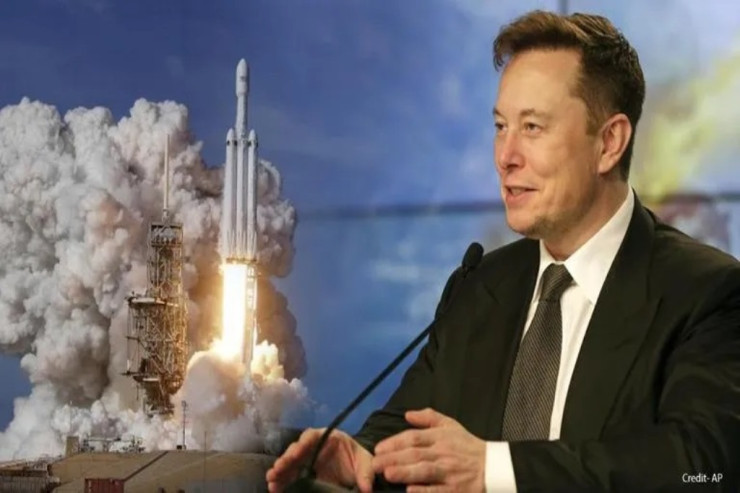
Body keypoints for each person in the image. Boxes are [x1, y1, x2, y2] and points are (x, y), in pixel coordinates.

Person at [267, 9, 740, 492]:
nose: (505, 156)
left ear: (609, 142)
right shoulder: (479, 286)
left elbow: (705, 467)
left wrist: (494, 470)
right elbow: (410, 429)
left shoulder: (707, 292)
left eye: (532, 127)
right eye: (500, 126)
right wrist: (365, 455)